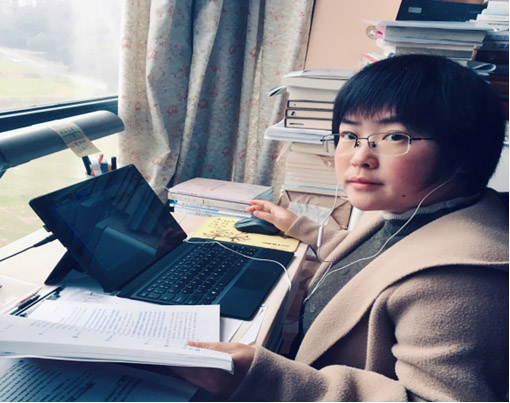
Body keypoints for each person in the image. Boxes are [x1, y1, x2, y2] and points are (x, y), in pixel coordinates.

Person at [172, 54, 509, 401]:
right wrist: (296, 226)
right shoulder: (414, 210)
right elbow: (372, 264)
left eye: (395, 136)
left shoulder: (462, 279)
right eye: (350, 134)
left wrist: (265, 379)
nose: (359, 157)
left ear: (466, 151)